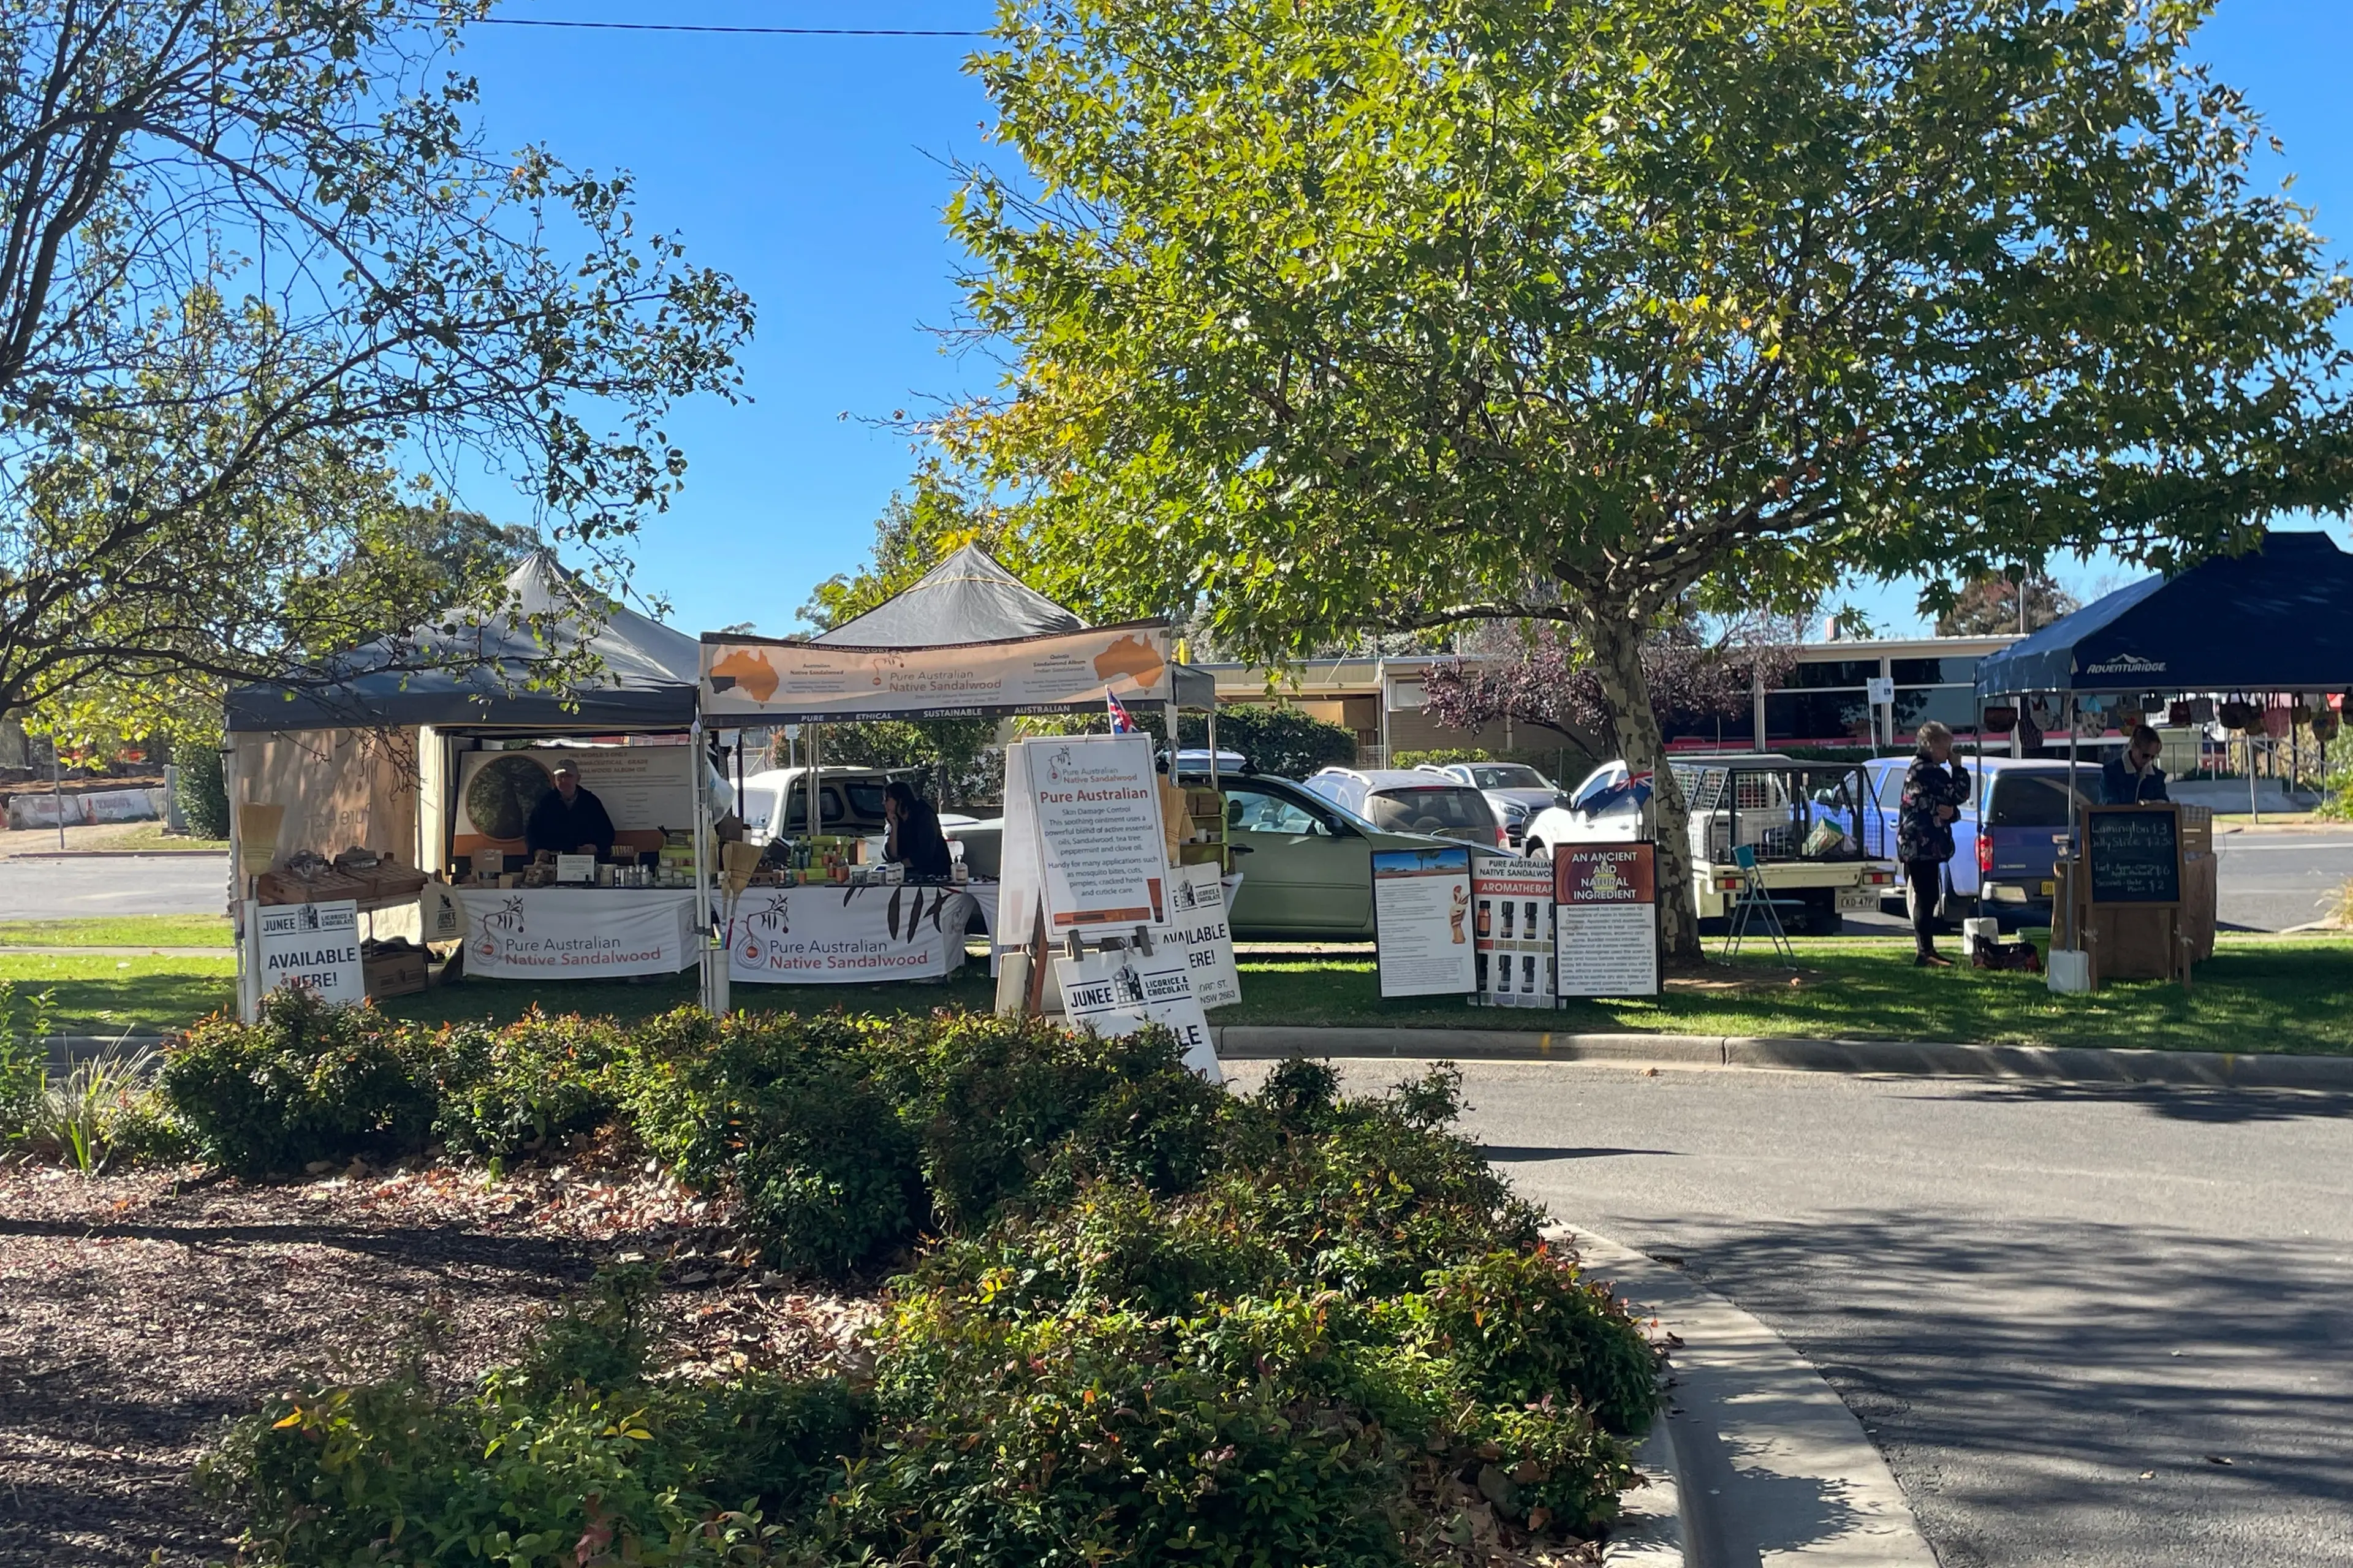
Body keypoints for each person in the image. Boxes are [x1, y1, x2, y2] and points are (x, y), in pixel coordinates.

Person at [1896, 721, 1971, 968]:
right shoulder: (1929, 772)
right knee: (1926, 896)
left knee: (1927, 896)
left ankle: (1927, 950)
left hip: (1917, 843)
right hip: (1922, 844)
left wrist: (1953, 814)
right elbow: (1959, 794)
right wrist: (1958, 767)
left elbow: (1942, 807)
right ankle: (1924, 952)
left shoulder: (1919, 770)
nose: (1949, 754)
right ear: (1931, 746)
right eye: (1945, 748)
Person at [525, 759, 616, 858]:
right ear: (554, 780)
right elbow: (531, 831)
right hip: (554, 860)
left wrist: (596, 847)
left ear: (578, 779)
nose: (564, 780)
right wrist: (537, 851)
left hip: (585, 860)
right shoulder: (544, 803)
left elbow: (607, 833)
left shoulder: (591, 802)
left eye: (569, 776)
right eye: (561, 776)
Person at [883, 779, 953, 881]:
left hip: (935, 874)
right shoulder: (893, 819)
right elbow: (891, 855)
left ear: (900, 799)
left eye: (887, 799)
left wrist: (901, 864)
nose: (884, 803)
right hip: (908, 875)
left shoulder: (924, 815)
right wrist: (894, 826)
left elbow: (926, 853)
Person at [2101, 724, 2170, 805]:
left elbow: (2165, 806)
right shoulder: (2111, 773)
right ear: (2133, 747)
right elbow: (2108, 806)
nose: (2148, 760)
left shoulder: (2157, 777)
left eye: (2153, 757)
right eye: (2145, 756)